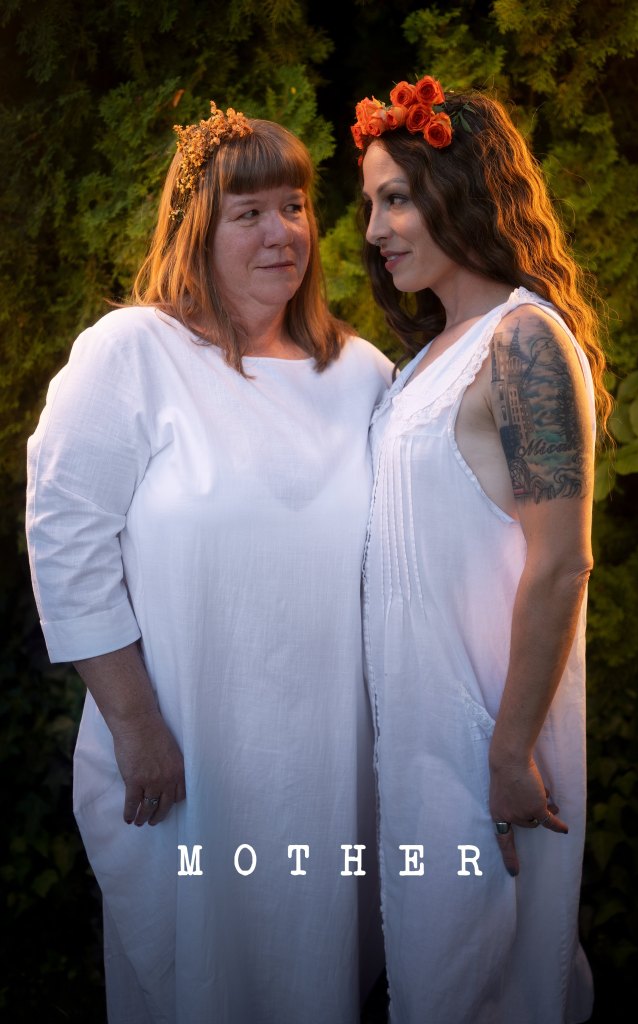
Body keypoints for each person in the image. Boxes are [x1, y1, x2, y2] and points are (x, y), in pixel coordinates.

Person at [26, 101, 391, 1023]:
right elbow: (65, 537)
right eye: (249, 213)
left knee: (311, 968)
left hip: (327, 759)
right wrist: (135, 723)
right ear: (197, 228)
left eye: (294, 207)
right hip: (186, 744)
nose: (281, 233)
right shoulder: (135, 353)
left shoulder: (361, 375)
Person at [351, 76, 611, 1023]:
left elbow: (561, 562)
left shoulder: (523, 340)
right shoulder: (422, 359)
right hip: (416, 738)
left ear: (456, 189)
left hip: (491, 741)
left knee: (487, 988)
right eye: (369, 204)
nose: (374, 230)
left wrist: (507, 752)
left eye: (396, 199)